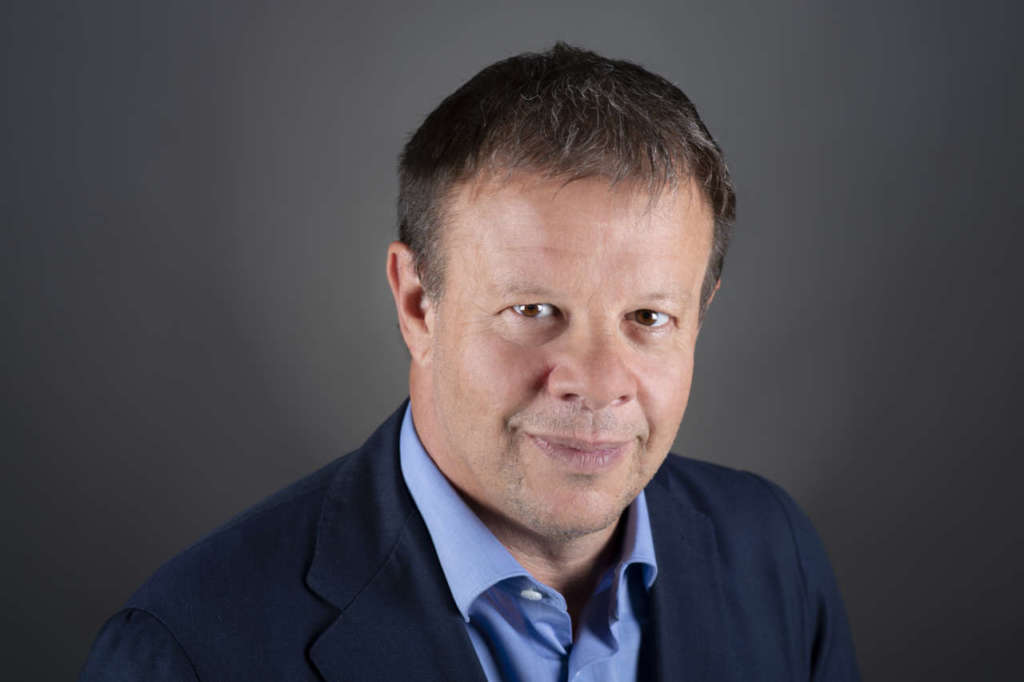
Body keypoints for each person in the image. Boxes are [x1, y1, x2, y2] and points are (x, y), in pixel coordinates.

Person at [80, 43, 859, 681]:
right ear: (418, 303)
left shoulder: (776, 555)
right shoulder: (187, 653)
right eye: (533, 311)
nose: (596, 383)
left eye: (649, 318)